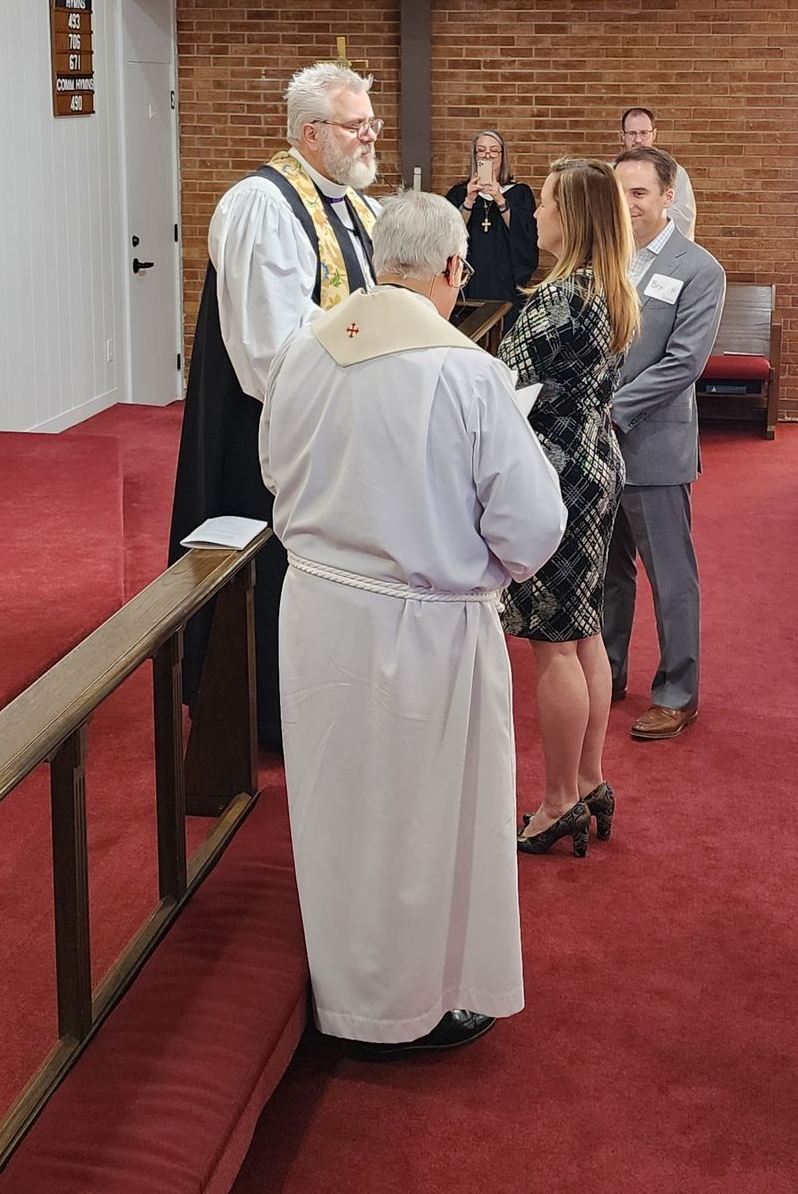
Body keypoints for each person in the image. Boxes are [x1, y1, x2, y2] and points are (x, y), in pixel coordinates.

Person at [259, 192, 567, 1055]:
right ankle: (411, 1004)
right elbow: (533, 524)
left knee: (338, 803)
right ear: (453, 270)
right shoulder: (466, 370)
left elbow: (273, 471)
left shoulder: (304, 350)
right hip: (424, 630)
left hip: (317, 612)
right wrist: (482, 569)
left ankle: (343, 984)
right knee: (427, 818)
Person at [168, 62, 382, 748]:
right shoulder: (263, 205)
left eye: (371, 123)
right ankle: (269, 714)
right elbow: (270, 354)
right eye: (357, 126)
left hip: (339, 429)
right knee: (274, 585)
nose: (370, 137)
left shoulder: (357, 205)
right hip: (275, 440)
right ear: (311, 134)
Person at [499, 158, 640, 855]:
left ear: (573, 216)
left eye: (546, 202)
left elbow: (504, 392)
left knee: (552, 641)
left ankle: (557, 802)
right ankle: (587, 781)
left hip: (554, 472)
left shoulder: (557, 299)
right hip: (594, 461)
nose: (534, 213)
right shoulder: (606, 289)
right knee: (582, 632)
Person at [602, 146, 726, 739]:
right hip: (597, 450)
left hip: (652, 446)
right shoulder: (603, 259)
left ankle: (678, 692)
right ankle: (607, 672)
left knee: (669, 576)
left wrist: (609, 411)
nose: (627, 205)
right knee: (607, 571)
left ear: (668, 197)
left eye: (640, 193)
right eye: (619, 192)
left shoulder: (699, 269)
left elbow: (684, 363)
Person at [445, 130, 538, 318]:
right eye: (481, 150)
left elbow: (526, 235)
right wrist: (469, 200)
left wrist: (499, 198)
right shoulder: (459, 193)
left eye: (494, 151)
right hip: (469, 279)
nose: (488, 155)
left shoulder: (519, 192)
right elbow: (449, 234)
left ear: (503, 156)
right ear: (475, 156)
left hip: (504, 278)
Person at [620, 106, 697, 240]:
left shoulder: (675, 172)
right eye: (632, 133)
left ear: (654, 134)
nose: (638, 140)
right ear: (622, 136)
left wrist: (643, 217)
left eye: (644, 133)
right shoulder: (611, 172)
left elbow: (684, 216)